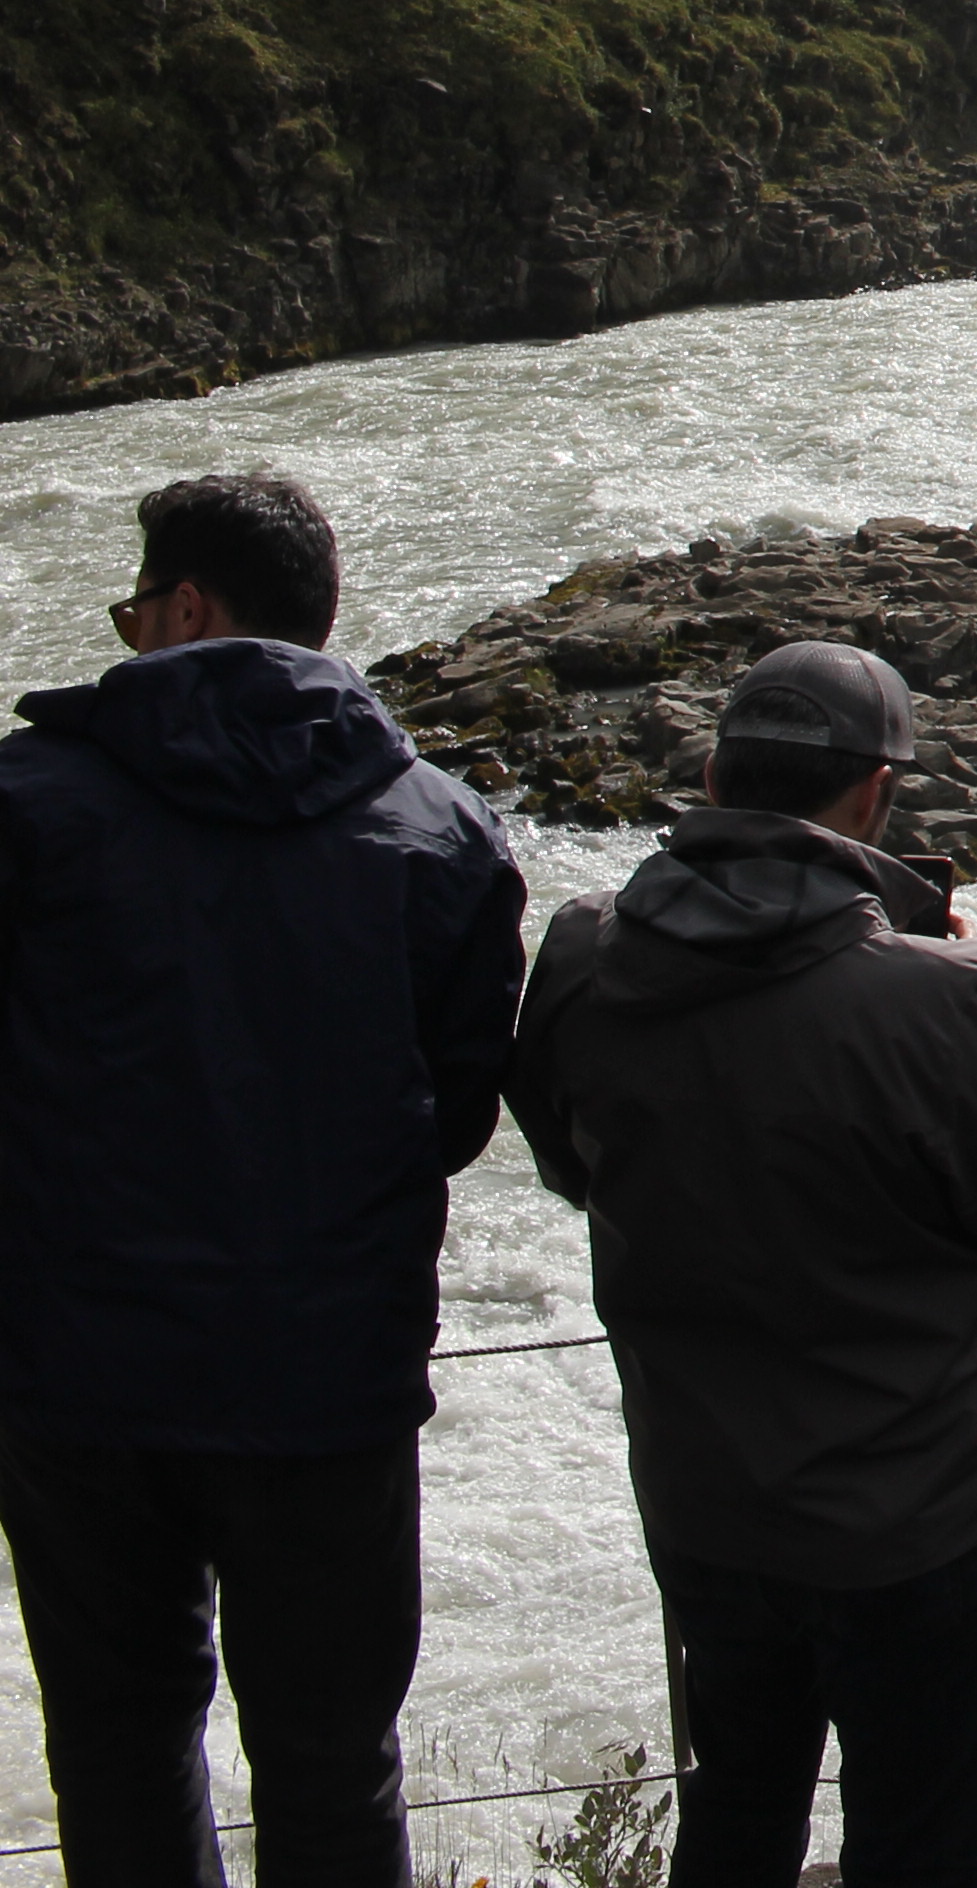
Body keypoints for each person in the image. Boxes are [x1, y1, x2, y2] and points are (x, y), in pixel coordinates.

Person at [503, 640, 977, 1888]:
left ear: (714, 771)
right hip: (911, 1513)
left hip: (703, 1493)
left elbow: (577, 1165)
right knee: (918, 1842)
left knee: (736, 1817)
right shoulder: (937, 993)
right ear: (876, 795)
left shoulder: (583, 953)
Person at [0, 472, 524, 1888]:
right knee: (333, 1758)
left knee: (113, 1741)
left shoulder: (28, 801)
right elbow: (461, 1111)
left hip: (76, 1371)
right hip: (328, 1374)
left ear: (184, 607)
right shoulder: (442, 831)